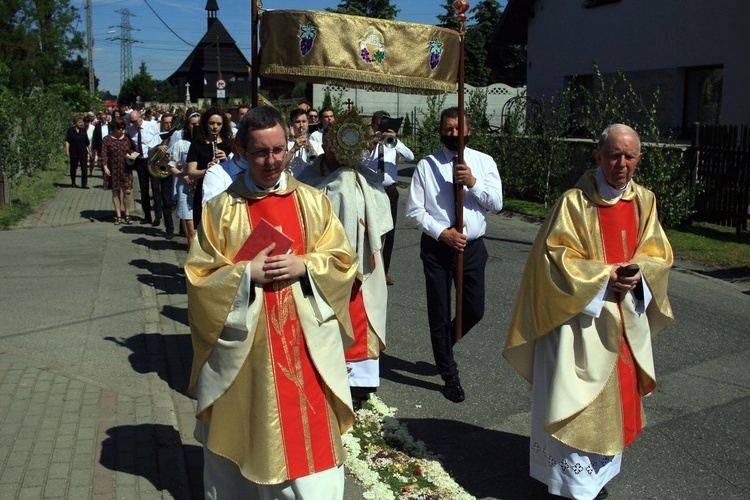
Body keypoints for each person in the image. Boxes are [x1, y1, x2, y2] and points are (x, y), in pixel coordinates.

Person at [185, 105, 358, 498]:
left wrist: (304, 265)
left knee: (312, 464)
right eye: (261, 152)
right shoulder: (220, 210)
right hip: (247, 354)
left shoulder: (313, 203)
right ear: (242, 153)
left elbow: (343, 262)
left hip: (304, 347)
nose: (272, 161)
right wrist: (247, 275)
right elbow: (199, 278)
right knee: (244, 446)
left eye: (279, 150)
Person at [503, 124, 674, 500]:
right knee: (580, 405)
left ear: (639, 158)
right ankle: (570, 486)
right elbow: (553, 259)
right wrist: (604, 276)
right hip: (580, 323)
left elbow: (658, 252)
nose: (622, 164)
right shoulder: (574, 203)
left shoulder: (645, 200)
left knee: (614, 406)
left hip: (624, 321)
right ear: (598, 155)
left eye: (630, 156)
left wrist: (639, 272)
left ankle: (594, 481)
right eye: (614, 155)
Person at [405, 106, 503, 403]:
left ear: (469, 131)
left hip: (472, 248)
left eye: (458, 129)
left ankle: (443, 346)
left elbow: (497, 203)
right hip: (438, 247)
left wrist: (473, 183)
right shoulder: (427, 165)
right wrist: (442, 233)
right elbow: (414, 211)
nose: (453, 134)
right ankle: (449, 375)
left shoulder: (483, 163)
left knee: (474, 310)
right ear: (440, 131)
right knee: (439, 310)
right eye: (448, 129)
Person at [297, 110, 391, 410]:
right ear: (327, 144)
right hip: (321, 267)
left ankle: (360, 387)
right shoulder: (308, 177)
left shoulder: (364, 178)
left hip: (360, 267)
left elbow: (382, 214)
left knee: (360, 319)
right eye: (336, 146)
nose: (342, 155)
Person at [365, 110, 415, 285]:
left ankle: (384, 271)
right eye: (379, 125)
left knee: (389, 232)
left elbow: (411, 157)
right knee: (369, 231)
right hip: (370, 189)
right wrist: (371, 145)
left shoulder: (392, 143)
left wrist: (396, 140)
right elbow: (358, 161)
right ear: (373, 125)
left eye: (385, 126)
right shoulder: (367, 142)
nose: (383, 129)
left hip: (389, 190)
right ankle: (368, 269)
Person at [186, 107, 232, 229]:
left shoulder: (229, 144)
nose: (215, 127)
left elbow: (237, 170)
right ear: (206, 124)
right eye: (211, 123)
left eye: (219, 124)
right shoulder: (197, 144)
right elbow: (191, 172)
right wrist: (207, 170)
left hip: (226, 191)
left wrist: (226, 160)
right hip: (204, 191)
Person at [168, 112, 200, 247]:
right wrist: (183, 175)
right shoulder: (181, 143)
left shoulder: (207, 143)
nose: (196, 126)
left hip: (202, 186)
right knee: (191, 229)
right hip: (186, 186)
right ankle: (192, 259)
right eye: (193, 124)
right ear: (188, 125)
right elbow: (171, 165)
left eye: (199, 124)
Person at [128, 110, 162, 224]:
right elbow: (132, 145)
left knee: (155, 188)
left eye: (135, 121)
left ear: (140, 117)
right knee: (144, 190)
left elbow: (158, 141)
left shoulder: (151, 125)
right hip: (140, 160)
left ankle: (158, 216)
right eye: (131, 121)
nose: (134, 123)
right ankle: (147, 216)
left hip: (151, 159)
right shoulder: (131, 129)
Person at [100, 118, 135, 224]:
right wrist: (105, 167)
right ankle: (118, 215)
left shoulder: (127, 138)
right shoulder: (107, 139)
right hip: (113, 169)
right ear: (113, 128)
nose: (121, 130)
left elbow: (133, 150)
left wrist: (132, 156)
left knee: (127, 191)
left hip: (126, 169)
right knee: (116, 192)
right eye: (119, 128)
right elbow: (104, 154)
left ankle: (127, 213)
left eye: (123, 128)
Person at [283, 108, 316, 178]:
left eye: (304, 121)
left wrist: (311, 149)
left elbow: (320, 166)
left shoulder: (316, 144)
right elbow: (280, 166)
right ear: (291, 124)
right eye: (297, 122)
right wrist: (294, 149)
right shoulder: (285, 145)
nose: (301, 125)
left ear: (308, 123)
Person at [64, 114, 91, 189]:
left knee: (84, 168)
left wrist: (90, 150)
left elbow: (87, 141)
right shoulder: (70, 130)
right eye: (79, 122)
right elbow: (67, 141)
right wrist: (67, 151)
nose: (81, 124)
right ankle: (73, 182)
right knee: (73, 168)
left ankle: (84, 184)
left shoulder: (83, 130)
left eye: (81, 122)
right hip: (74, 151)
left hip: (83, 152)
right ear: (75, 123)